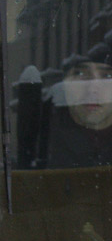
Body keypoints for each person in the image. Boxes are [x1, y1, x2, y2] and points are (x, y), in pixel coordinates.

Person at [48, 33, 112, 168]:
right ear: (63, 84)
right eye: (81, 74)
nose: (92, 88)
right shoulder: (42, 140)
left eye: (107, 76)